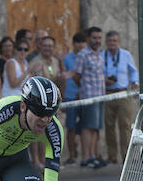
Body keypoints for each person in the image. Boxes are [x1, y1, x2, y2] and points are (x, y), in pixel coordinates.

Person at [102, 30, 139, 164]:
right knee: (109, 126)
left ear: (118, 42)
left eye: (114, 41)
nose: (112, 43)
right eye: (110, 41)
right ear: (106, 42)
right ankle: (112, 155)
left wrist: (135, 82)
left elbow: (133, 70)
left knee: (125, 125)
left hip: (123, 93)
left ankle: (126, 155)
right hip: (107, 93)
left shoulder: (125, 55)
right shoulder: (101, 55)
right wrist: (104, 79)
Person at [27, 35, 64, 168]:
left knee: (48, 132)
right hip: (39, 103)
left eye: (50, 46)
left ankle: (45, 159)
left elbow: (57, 79)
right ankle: (36, 160)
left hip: (53, 102)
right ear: (40, 47)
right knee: (35, 132)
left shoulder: (55, 61)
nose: (48, 48)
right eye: (45, 45)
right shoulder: (35, 61)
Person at [73, 26, 106, 168]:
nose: (97, 40)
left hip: (100, 96)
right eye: (94, 38)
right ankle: (86, 157)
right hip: (89, 96)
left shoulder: (99, 54)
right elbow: (76, 75)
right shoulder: (83, 55)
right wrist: (84, 89)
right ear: (88, 39)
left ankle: (93, 155)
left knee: (95, 128)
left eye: (99, 38)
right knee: (87, 127)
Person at [62, 32, 86, 164]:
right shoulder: (67, 59)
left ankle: (85, 155)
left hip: (84, 96)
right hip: (70, 97)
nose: (81, 45)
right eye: (78, 43)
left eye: (83, 43)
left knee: (85, 127)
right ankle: (72, 155)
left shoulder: (87, 57)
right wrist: (64, 97)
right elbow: (64, 78)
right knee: (70, 127)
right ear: (74, 44)